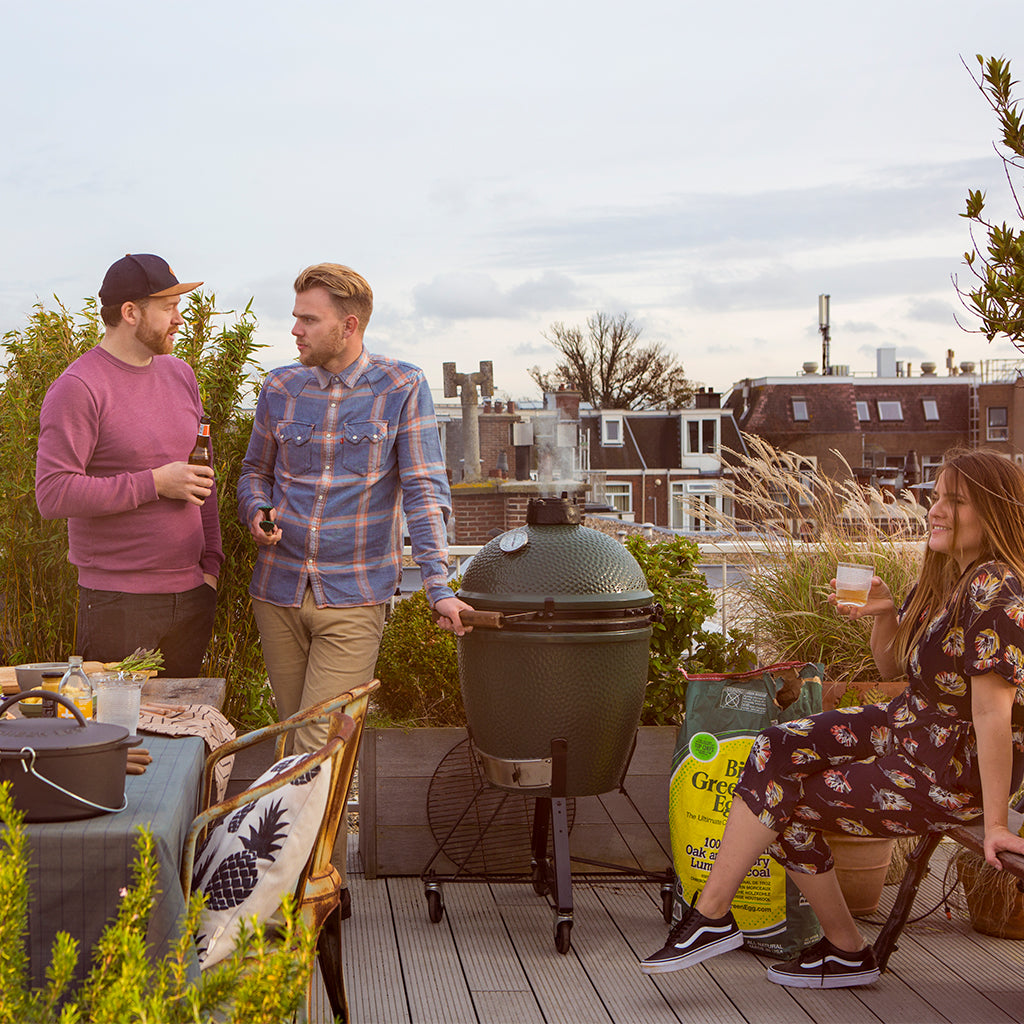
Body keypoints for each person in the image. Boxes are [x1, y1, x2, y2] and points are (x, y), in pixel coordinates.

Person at [640, 448, 1024, 988]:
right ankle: (737, 924)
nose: (935, 510)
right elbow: (895, 666)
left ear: (994, 513)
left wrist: (996, 824)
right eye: (936, 497)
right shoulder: (948, 583)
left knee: (785, 798)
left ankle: (739, 922)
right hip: (907, 729)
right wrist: (887, 614)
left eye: (954, 501)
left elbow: (992, 712)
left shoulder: (997, 591)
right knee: (775, 747)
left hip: (947, 768)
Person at [237, 262, 472, 756]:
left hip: (354, 594)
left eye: (308, 320)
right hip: (276, 590)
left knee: (319, 750)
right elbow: (254, 471)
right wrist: (256, 509)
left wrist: (437, 585)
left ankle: (304, 834)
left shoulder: (401, 386)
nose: (295, 330)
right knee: (291, 743)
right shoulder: (280, 387)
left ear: (349, 326)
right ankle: (310, 838)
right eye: (296, 317)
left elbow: (425, 490)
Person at [35, 254, 222, 677]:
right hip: (117, 603)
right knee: (117, 737)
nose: (179, 319)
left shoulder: (181, 374)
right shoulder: (78, 388)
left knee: (181, 735)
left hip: (192, 594)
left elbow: (201, 474)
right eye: (168, 307)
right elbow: (53, 493)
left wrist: (211, 566)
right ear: (131, 313)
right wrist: (155, 482)